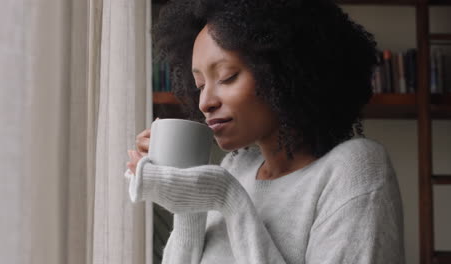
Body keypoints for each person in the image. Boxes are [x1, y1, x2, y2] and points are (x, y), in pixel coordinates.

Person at [125, 0, 405, 263]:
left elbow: (226, 194)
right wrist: (188, 194)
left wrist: (226, 196)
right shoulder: (237, 166)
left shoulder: (354, 167)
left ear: (282, 71)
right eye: (199, 85)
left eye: (227, 77)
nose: (205, 102)